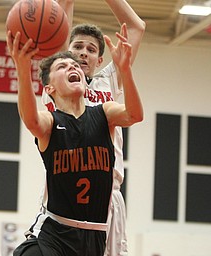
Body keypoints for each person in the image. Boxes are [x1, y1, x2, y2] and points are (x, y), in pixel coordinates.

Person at [7, 20, 143, 255]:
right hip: (55, 231)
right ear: (49, 89)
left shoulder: (104, 112)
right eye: (62, 66)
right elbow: (30, 120)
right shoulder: (51, 120)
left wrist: (126, 70)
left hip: (94, 234)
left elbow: (134, 114)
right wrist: (22, 68)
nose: (73, 67)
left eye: (75, 66)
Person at [42, 1, 146, 255]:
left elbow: (136, 27)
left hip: (107, 193)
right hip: (64, 196)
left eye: (91, 49)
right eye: (77, 47)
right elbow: (60, 22)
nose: (83, 53)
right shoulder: (58, 81)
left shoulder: (107, 81)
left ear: (100, 59)